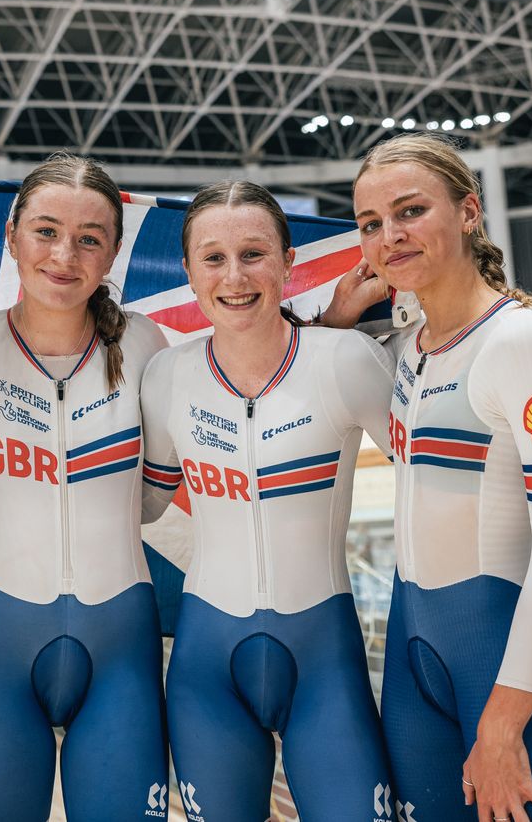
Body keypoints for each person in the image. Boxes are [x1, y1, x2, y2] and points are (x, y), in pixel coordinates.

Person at [352, 133, 532, 822]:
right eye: (371, 224)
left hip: (505, 664)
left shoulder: (522, 340)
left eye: (409, 212)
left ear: (468, 212)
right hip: (413, 656)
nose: (389, 236)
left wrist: (502, 725)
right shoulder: (406, 350)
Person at [140, 180, 396, 820]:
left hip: (325, 665)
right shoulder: (167, 376)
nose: (234, 276)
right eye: (213, 258)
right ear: (189, 273)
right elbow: (142, 505)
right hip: (206, 672)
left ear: (287, 263)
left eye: (253, 254)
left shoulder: (347, 360)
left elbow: (438, 465)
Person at [0, 154, 171, 821]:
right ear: (12, 235)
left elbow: (151, 500)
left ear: (114, 251)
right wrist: (11, 537)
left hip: (121, 643)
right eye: (46, 231)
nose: (66, 255)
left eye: (90, 237)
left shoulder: (149, 346)